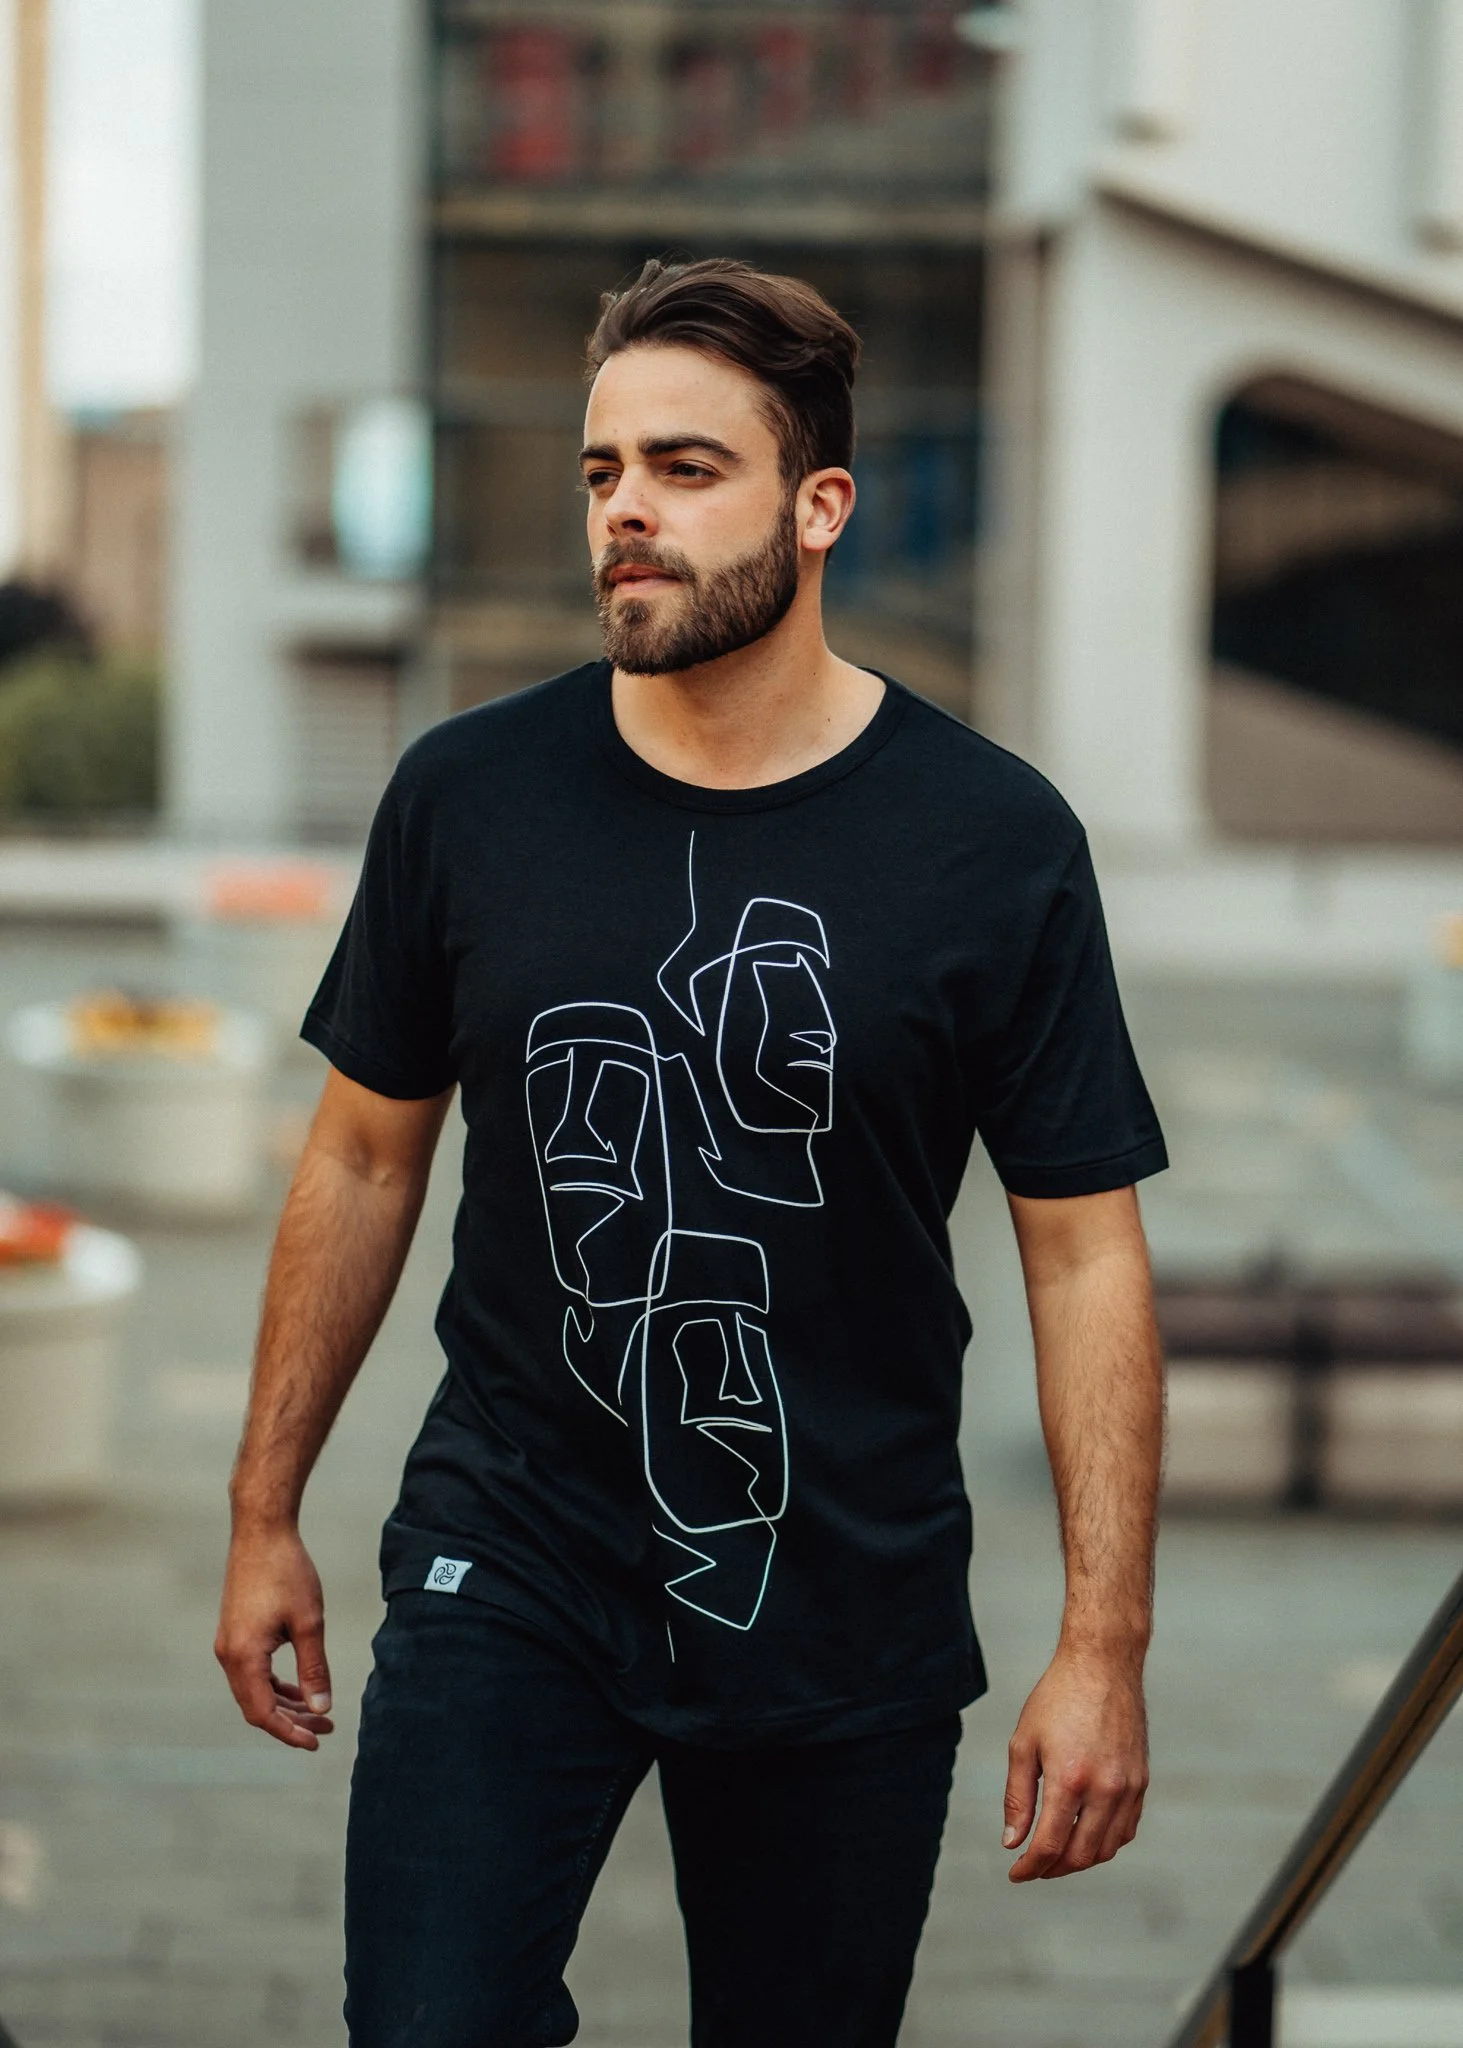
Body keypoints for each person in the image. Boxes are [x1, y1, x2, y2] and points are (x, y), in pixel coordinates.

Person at [215, 257, 1168, 2048]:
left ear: (820, 508)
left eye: (685, 467)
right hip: (509, 1551)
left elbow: (1082, 1250)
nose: (627, 512)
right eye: (600, 473)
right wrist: (263, 1512)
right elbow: (359, 1160)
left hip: (848, 1594)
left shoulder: (993, 842)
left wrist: (1100, 1644)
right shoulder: (464, 795)